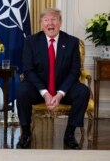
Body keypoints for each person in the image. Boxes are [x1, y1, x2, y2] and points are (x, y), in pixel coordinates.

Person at [16, 8, 90, 149]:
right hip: (38, 89)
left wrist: (60, 93)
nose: (50, 23)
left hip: (63, 89)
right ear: (41, 24)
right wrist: (45, 93)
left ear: (60, 23)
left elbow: (75, 71)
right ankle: (26, 134)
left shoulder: (71, 42)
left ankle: (69, 134)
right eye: (46, 20)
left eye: (54, 19)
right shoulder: (31, 41)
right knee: (22, 90)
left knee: (83, 91)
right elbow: (28, 70)